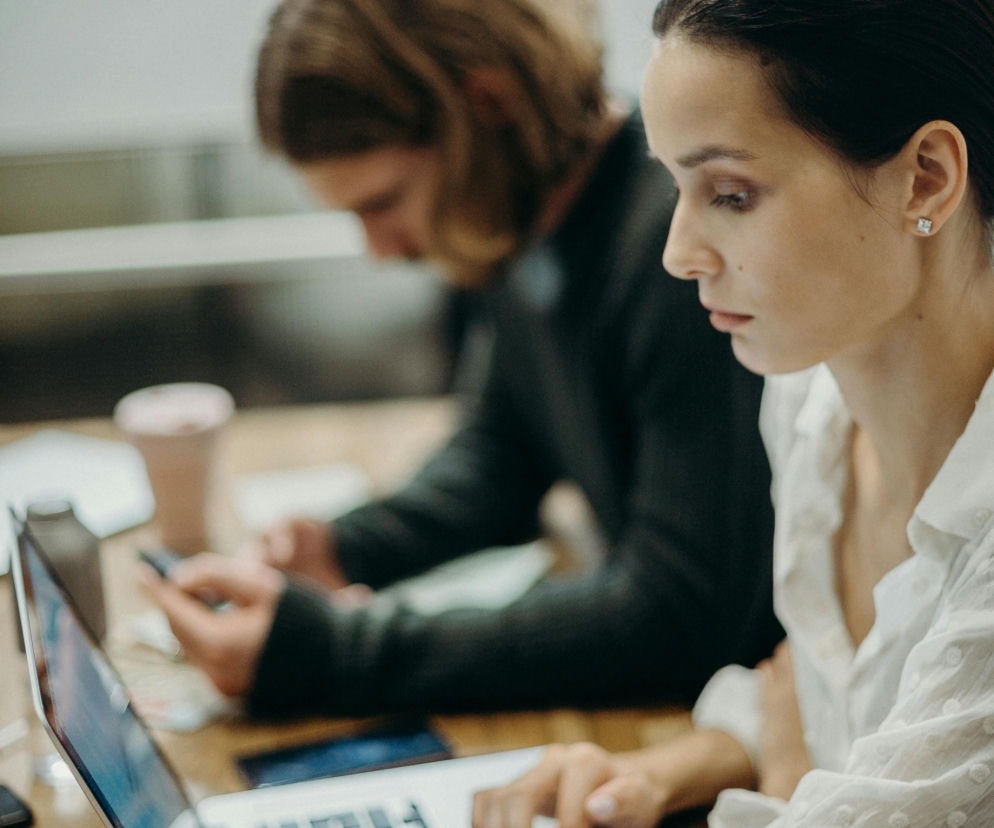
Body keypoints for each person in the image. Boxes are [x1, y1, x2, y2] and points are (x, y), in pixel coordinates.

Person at [141, 0, 781, 718]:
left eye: (383, 202)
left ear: (487, 106)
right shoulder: (516, 220)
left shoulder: (675, 253)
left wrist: (333, 652)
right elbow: (501, 454)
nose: (381, 249)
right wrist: (345, 550)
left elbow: (680, 616)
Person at [472, 0, 994, 825]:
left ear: (925, 176)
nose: (680, 253)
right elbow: (849, 702)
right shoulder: (808, 407)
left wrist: (787, 782)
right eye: (676, 187)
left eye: (732, 194)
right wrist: (659, 772)